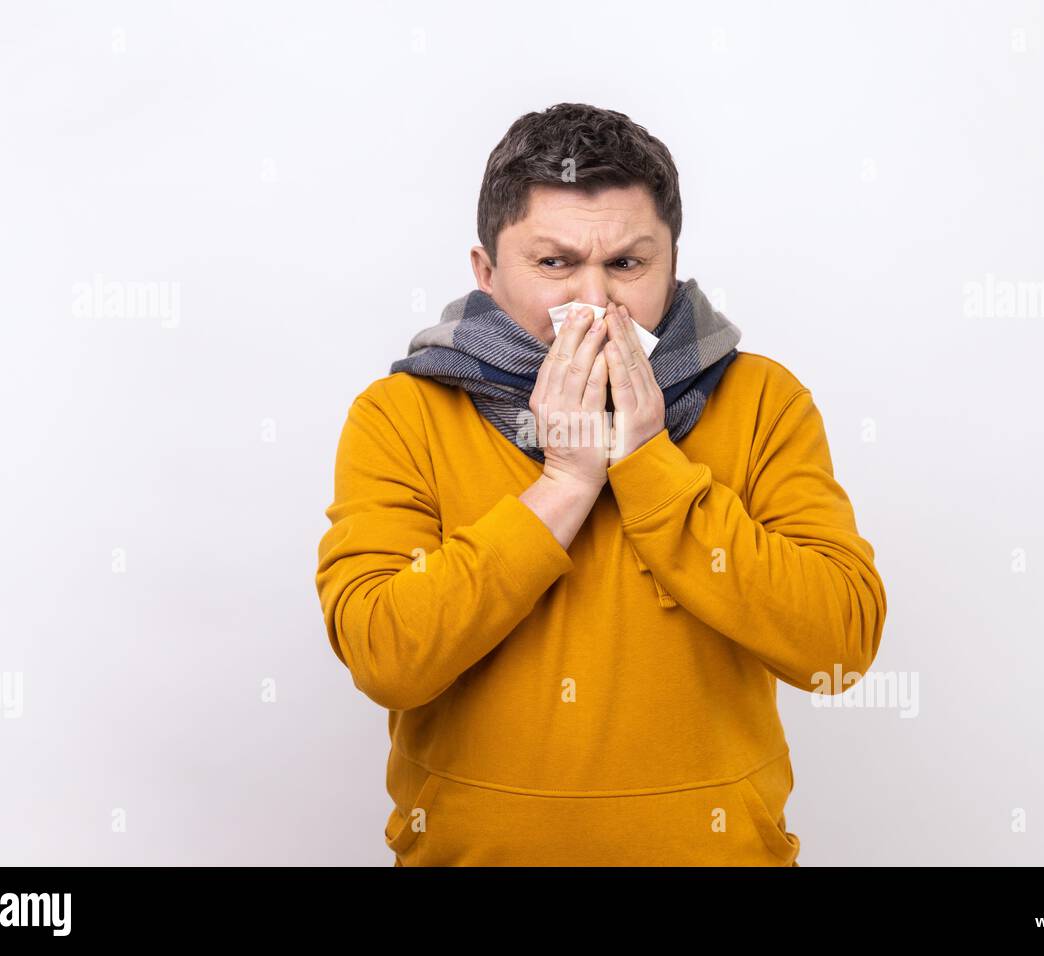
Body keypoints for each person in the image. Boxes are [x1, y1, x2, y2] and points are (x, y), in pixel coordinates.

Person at [315, 102, 888, 866]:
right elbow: (386, 657)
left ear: (672, 265)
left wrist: (650, 463)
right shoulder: (402, 414)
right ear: (486, 272)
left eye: (627, 264)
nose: (597, 301)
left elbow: (839, 646)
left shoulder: (763, 401)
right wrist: (563, 483)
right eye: (555, 264)